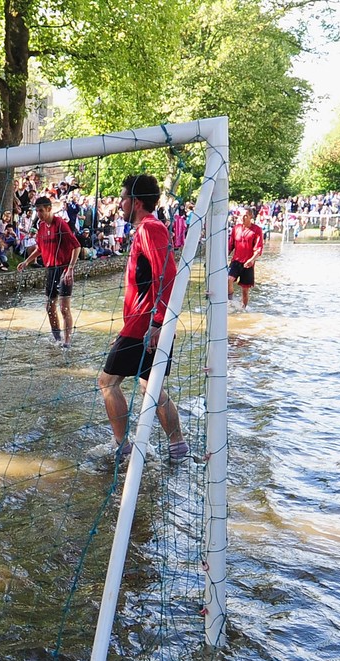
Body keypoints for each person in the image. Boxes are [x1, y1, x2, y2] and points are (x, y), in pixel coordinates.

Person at [98, 174, 189, 464]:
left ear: (136, 202)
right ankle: (178, 449)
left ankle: (122, 446)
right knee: (150, 386)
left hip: (146, 325)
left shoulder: (151, 228)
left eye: (123, 197)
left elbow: (168, 275)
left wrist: (158, 322)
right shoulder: (146, 229)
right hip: (140, 324)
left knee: (107, 382)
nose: (119, 203)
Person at [16, 195, 78, 348]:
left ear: (50, 209)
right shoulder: (41, 227)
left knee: (64, 308)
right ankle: (57, 338)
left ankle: (67, 342)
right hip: (50, 270)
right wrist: (26, 261)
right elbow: (39, 248)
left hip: (63, 269)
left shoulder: (61, 224)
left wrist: (70, 268)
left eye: (41, 211)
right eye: (37, 211)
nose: (39, 214)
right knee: (49, 307)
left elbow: (77, 246)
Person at [227, 207, 263, 309]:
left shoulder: (256, 230)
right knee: (228, 279)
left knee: (245, 291)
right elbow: (230, 246)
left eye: (245, 215)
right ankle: (229, 302)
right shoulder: (236, 228)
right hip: (236, 261)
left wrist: (252, 260)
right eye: (241, 215)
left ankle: (243, 310)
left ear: (251, 216)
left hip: (248, 263)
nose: (243, 217)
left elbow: (259, 248)